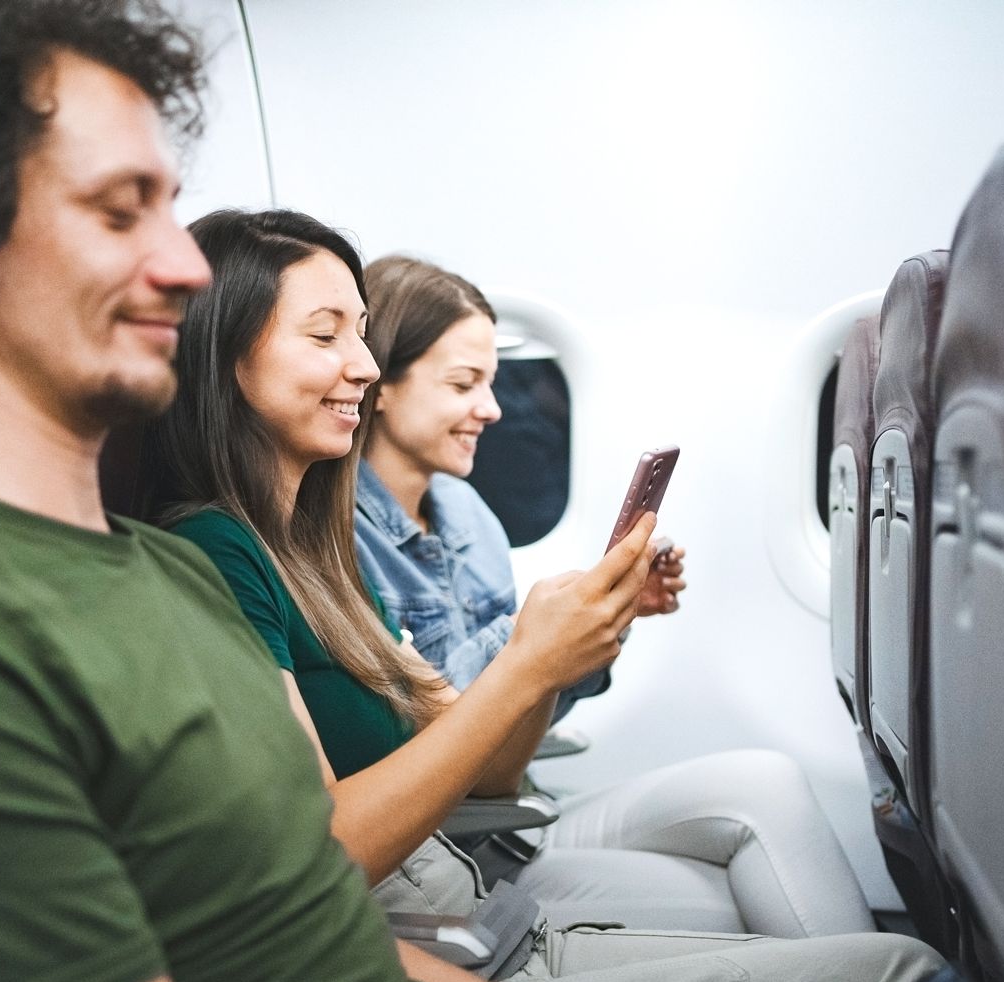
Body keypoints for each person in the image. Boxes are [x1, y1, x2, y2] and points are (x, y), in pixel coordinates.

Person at [0, 1, 934, 982]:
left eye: (170, 211)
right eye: (117, 212)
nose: (185, 268)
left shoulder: (166, 574)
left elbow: (332, 944)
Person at [134, 206, 950, 982]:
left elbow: (492, 769)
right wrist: (530, 661)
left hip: (480, 918)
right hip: (436, 953)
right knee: (906, 980)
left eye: (364, 334)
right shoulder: (217, 551)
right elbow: (320, 854)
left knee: (894, 960)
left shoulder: (321, 555)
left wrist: (563, 650)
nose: (364, 366)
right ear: (226, 357)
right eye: (324, 334)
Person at [353, 254, 875, 939]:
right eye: (463, 383)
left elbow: (523, 709)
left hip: (517, 811)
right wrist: (540, 631)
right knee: (737, 894)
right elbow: (442, 728)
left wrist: (607, 616)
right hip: (454, 843)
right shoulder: (341, 538)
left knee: (768, 779)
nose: (493, 408)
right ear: (380, 385)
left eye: (492, 381)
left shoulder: (468, 513)